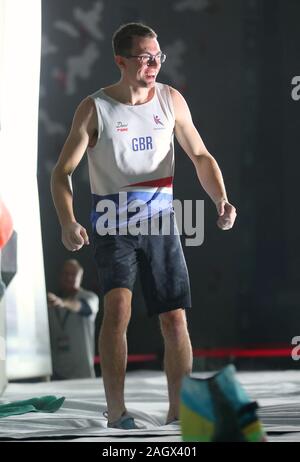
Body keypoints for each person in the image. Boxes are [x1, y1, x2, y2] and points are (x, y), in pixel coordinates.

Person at [50, 23, 237, 428]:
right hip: (112, 226)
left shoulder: (171, 100)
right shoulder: (95, 108)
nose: (154, 64)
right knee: (117, 311)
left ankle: (180, 409)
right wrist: (68, 221)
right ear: (121, 61)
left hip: (160, 223)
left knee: (174, 318)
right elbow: (61, 173)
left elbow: (201, 156)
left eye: (158, 56)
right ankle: (116, 411)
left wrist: (220, 198)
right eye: (144, 57)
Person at [47, 259, 99, 380]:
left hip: (83, 373)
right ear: (60, 275)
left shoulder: (89, 297)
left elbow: (83, 307)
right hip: (57, 374)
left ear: (80, 276)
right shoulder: (51, 301)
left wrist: (63, 303)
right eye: (66, 273)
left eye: (73, 274)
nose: (69, 277)